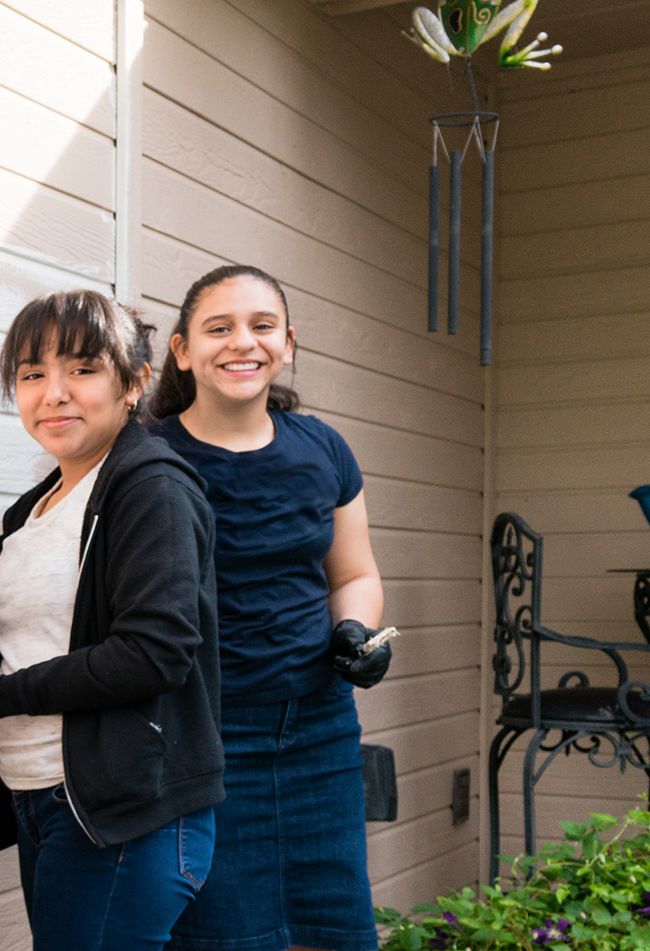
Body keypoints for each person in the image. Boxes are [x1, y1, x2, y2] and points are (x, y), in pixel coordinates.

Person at [0, 290, 225, 951]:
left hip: (123, 813)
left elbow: (153, 652)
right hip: (41, 798)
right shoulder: (32, 509)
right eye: (32, 374)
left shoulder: (151, 486)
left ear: (134, 381)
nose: (53, 392)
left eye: (82, 368)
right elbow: (38, 637)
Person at [149, 264, 392, 951]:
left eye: (260, 326)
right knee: (226, 935)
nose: (241, 343)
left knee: (331, 930)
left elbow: (353, 570)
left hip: (319, 729)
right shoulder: (150, 457)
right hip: (203, 735)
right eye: (217, 328)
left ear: (287, 342)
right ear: (181, 350)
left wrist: (356, 629)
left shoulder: (322, 447)